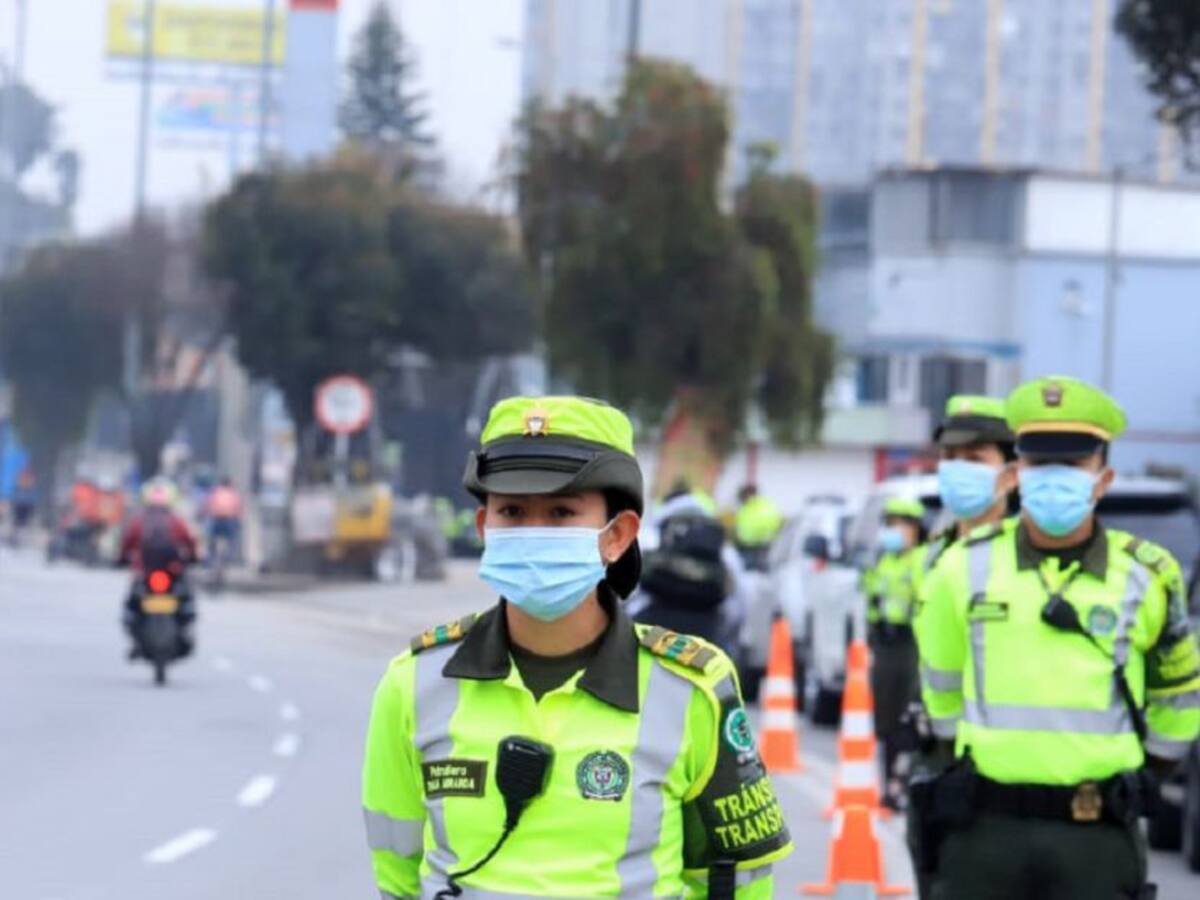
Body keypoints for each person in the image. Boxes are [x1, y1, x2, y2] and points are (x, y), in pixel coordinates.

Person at [362, 396, 791, 899]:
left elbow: (736, 882)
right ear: (484, 529)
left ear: (618, 535)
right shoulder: (413, 684)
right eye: (513, 512)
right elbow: (397, 877)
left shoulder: (692, 688)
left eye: (562, 512)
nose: (533, 532)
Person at [918, 376, 1200, 900]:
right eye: (1040, 464)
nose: (1053, 479)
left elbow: (1179, 697)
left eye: (1071, 466)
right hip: (984, 832)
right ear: (1017, 471)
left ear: (1103, 478)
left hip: (1096, 835)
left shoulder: (1148, 575)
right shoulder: (961, 570)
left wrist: (1146, 775)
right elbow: (941, 692)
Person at [906, 394, 1016, 896]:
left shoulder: (1023, 557)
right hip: (936, 758)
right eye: (950, 460)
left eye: (975, 460)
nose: (958, 471)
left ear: (1010, 472)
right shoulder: (935, 551)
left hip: (1001, 767)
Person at [862, 495, 926, 809]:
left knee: (908, 717)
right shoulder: (883, 561)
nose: (894, 530)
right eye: (890, 523)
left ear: (915, 529)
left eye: (900, 524)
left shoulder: (924, 561)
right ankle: (889, 786)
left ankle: (905, 784)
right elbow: (871, 600)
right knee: (885, 720)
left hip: (912, 646)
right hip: (885, 646)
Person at [119, 478, 199, 657]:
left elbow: (126, 544)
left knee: (131, 605)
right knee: (187, 599)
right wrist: (193, 559)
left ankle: (137, 641)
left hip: (145, 572)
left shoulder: (139, 521)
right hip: (172, 571)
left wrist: (122, 559)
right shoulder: (176, 521)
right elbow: (190, 542)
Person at [733, 484, 783, 570]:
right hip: (761, 544)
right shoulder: (766, 504)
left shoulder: (749, 507)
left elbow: (744, 526)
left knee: (750, 571)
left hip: (753, 546)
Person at [204, 476, 244, 564]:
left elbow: (208, 505)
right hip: (228, 519)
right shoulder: (233, 493)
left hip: (216, 519)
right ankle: (229, 558)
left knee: (211, 540)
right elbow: (238, 508)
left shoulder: (216, 492)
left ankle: (211, 557)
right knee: (232, 540)